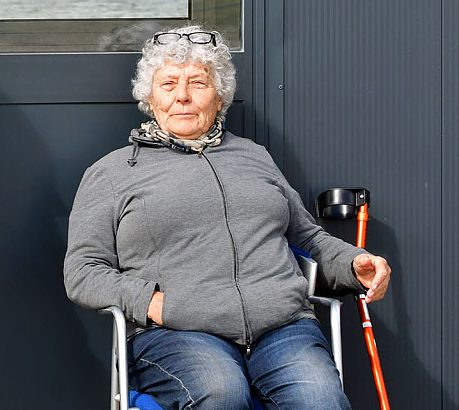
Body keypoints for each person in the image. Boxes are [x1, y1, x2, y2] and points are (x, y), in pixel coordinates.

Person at [63, 25, 391, 409]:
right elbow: (83, 272)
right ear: (150, 97)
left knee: (320, 400)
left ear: (219, 97)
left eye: (197, 83)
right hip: (177, 333)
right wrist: (152, 302)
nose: (182, 96)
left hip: (283, 328)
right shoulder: (112, 173)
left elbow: (308, 239)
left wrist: (354, 263)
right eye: (168, 84)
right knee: (222, 392)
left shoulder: (254, 156)